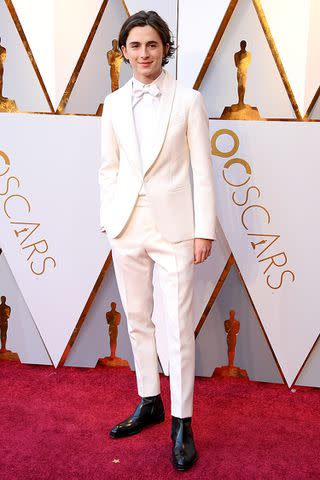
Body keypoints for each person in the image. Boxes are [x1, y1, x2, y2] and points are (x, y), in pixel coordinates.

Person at [99, 10, 216, 471]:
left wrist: (202, 229)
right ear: (123, 51)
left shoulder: (189, 100)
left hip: (175, 230)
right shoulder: (111, 104)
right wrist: (109, 219)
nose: (143, 53)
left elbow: (202, 172)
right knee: (137, 319)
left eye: (152, 45)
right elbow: (108, 168)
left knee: (177, 326)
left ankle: (182, 421)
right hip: (126, 226)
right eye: (135, 46)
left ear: (165, 48)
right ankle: (150, 399)